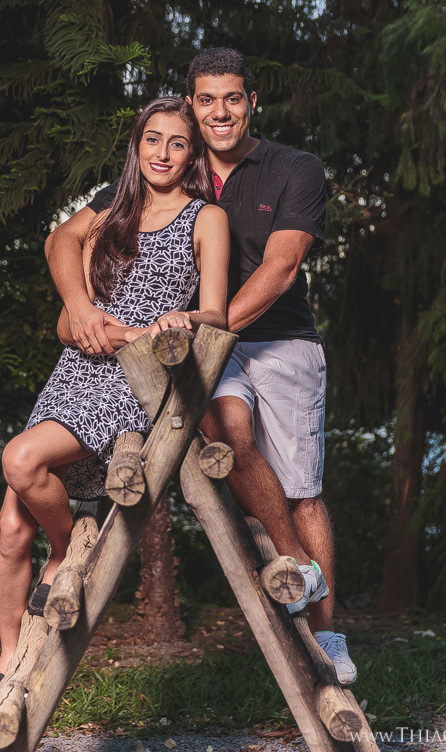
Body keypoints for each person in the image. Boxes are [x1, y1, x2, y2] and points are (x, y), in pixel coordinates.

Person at [47, 48, 356, 686]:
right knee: (226, 430)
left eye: (233, 98)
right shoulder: (172, 169)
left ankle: (330, 633)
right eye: (207, 100)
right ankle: (297, 564)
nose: (221, 112)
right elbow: (64, 237)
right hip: (195, 346)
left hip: (281, 340)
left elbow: (281, 268)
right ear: (191, 105)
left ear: (251, 103)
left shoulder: (294, 169)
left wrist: (209, 324)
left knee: (303, 490)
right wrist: (81, 307)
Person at [0, 97, 229, 705]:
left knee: (21, 462)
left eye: (177, 142)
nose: (162, 153)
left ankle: (66, 547)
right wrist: (87, 312)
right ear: (136, 145)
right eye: (152, 139)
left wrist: (178, 319)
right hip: (77, 371)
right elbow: (64, 287)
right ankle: (9, 653)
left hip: (135, 380)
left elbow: (217, 314)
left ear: (193, 152)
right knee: (12, 523)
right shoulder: (112, 209)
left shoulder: (205, 218)